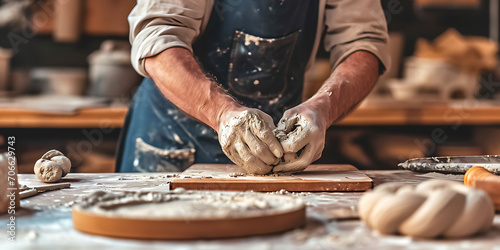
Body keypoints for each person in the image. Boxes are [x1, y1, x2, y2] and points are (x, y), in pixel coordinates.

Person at [116, 0, 391, 174]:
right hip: (174, 133)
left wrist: (323, 108)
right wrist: (223, 114)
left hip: (275, 144)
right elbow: (158, 37)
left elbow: (364, 43)